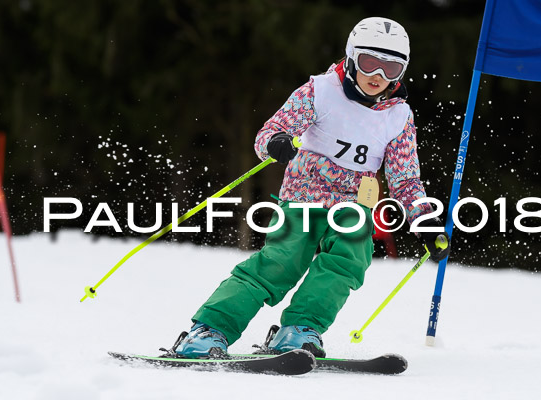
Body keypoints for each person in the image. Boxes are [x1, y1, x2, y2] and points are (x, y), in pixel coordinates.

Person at [172, 17, 450, 358]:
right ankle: (208, 330)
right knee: (281, 263)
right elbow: (272, 130)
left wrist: (424, 219)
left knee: (347, 262)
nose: (378, 75)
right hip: (306, 193)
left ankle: (300, 329)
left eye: (391, 68)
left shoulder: (398, 116)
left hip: (355, 202)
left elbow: (405, 178)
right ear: (350, 58)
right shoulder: (320, 91)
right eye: (369, 62)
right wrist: (275, 142)